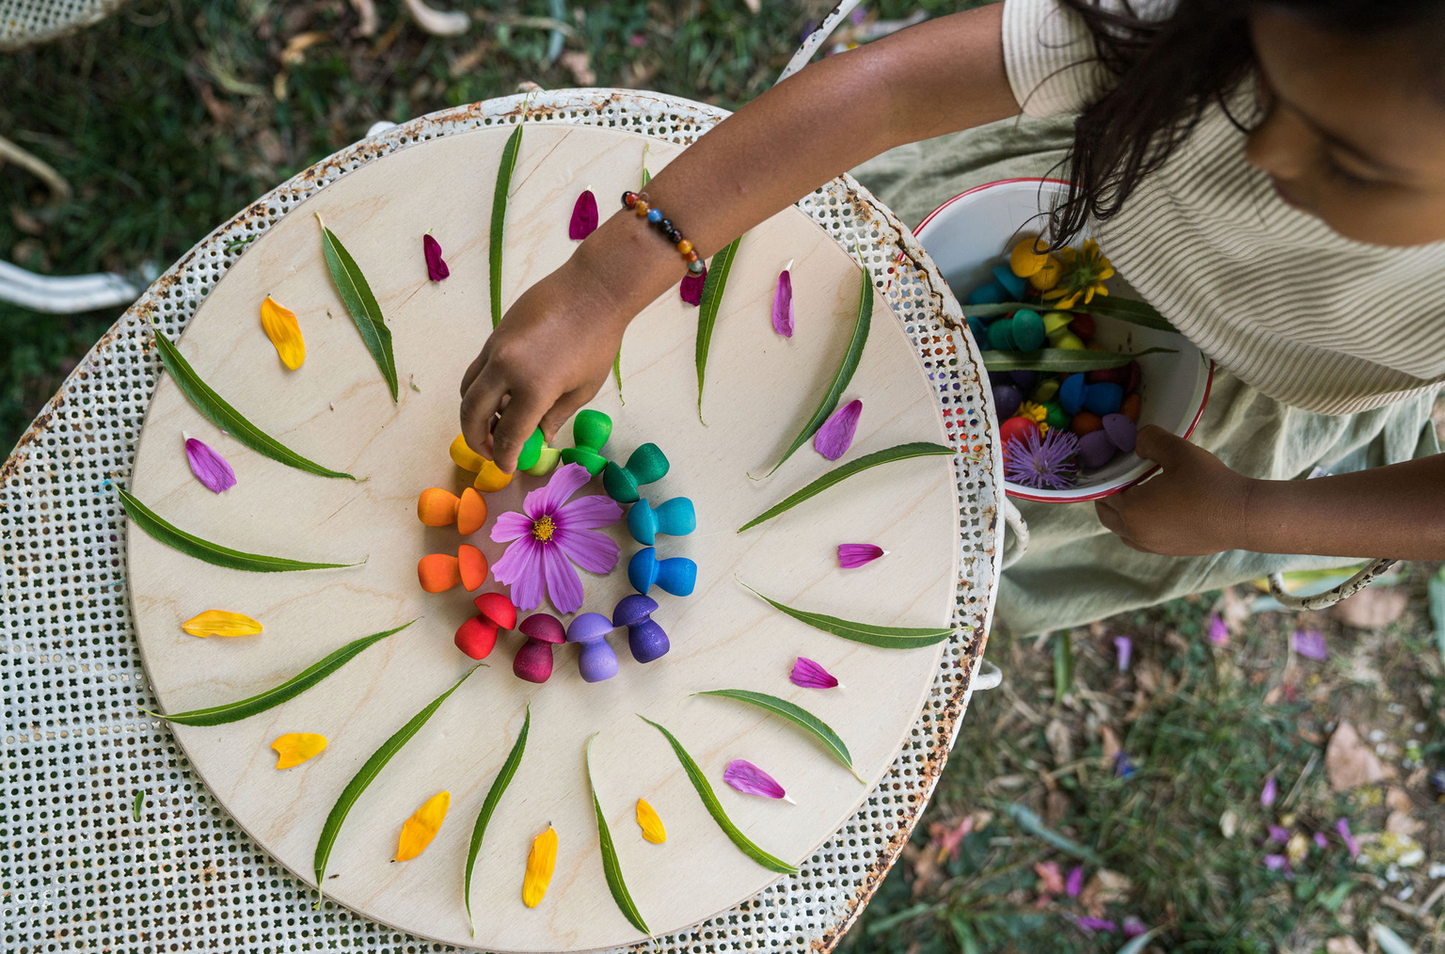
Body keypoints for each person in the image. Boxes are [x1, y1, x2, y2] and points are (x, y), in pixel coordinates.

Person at [458, 0, 1445, 636]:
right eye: (1261, 83)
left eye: (1351, 161)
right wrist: (606, 282)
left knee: (913, 543)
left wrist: (1246, 516)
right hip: (1043, 210)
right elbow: (891, 91)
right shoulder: (1227, 19)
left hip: (1236, 413)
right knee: (766, 376)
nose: (1266, 152)